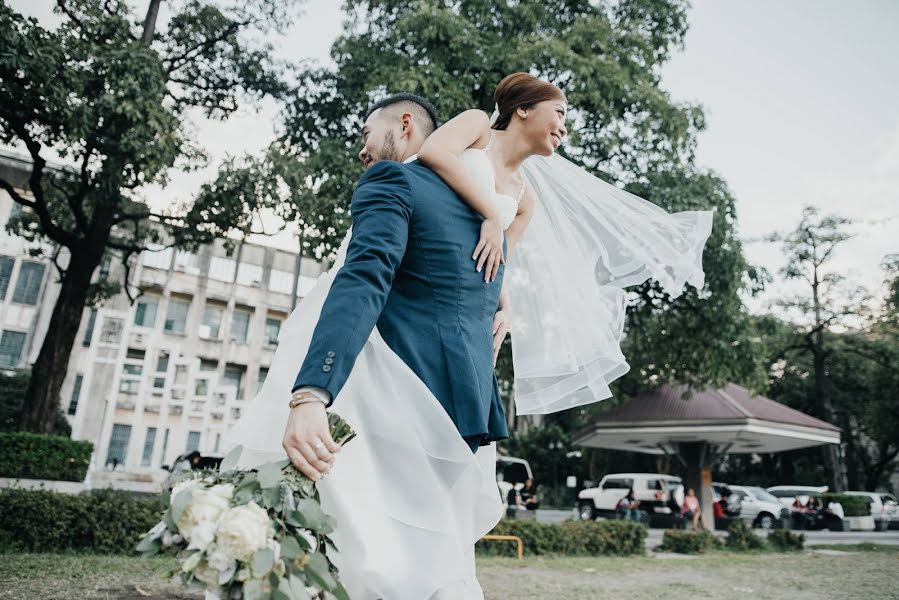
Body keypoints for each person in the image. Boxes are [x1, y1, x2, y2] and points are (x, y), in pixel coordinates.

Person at [227, 74, 712, 598]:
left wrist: (503, 309)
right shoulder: (446, 154)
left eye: (367, 132)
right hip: (413, 384)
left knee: (411, 543)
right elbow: (375, 262)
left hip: (456, 381)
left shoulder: (518, 199)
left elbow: (498, 263)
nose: (565, 125)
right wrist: (488, 212)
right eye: (560, 112)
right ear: (521, 110)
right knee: (389, 540)